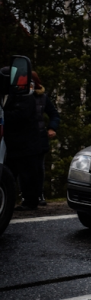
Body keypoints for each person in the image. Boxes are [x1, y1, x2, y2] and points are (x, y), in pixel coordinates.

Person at [3, 70, 42, 211]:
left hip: (26, 142)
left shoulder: (24, 95)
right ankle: (8, 201)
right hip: (13, 142)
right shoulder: (10, 94)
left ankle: (30, 202)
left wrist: (3, 115)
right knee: (10, 173)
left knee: (28, 174)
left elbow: (21, 114)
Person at [31, 71, 60, 206]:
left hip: (39, 136)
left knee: (38, 167)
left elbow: (54, 114)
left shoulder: (42, 97)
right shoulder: (16, 96)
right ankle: (25, 195)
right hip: (21, 136)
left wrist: (52, 128)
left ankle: (38, 193)